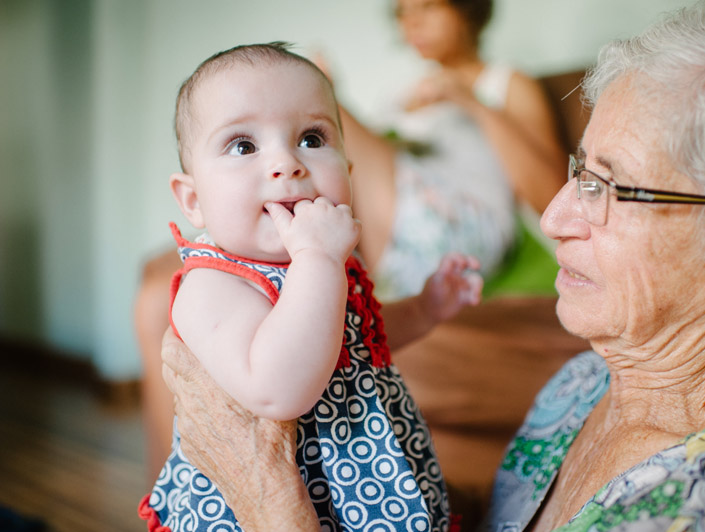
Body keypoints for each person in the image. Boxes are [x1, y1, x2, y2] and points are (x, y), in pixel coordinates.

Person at [154, 2, 705, 531]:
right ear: (191, 196)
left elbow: (357, 337)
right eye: (581, 172)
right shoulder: (582, 382)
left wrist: (267, 494)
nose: (553, 216)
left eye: (612, 187)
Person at [138, 43, 485, 532]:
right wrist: (317, 261)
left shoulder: (328, 263)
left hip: (367, 491)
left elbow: (357, 340)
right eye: (243, 146)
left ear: (348, 175)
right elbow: (277, 391)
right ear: (193, 200)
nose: (286, 163)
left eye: (312, 138)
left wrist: (425, 309)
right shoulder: (211, 284)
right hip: (267, 509)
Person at [327, 0, 566, 300]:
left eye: (427, 7)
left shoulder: (504, 82)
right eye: (403, 13)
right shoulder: (397, 96)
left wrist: (471, 102)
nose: (412, 23)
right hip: (389, 221)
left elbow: (551, 194)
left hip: (467, 225)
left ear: (466, 10)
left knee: (330, 110)